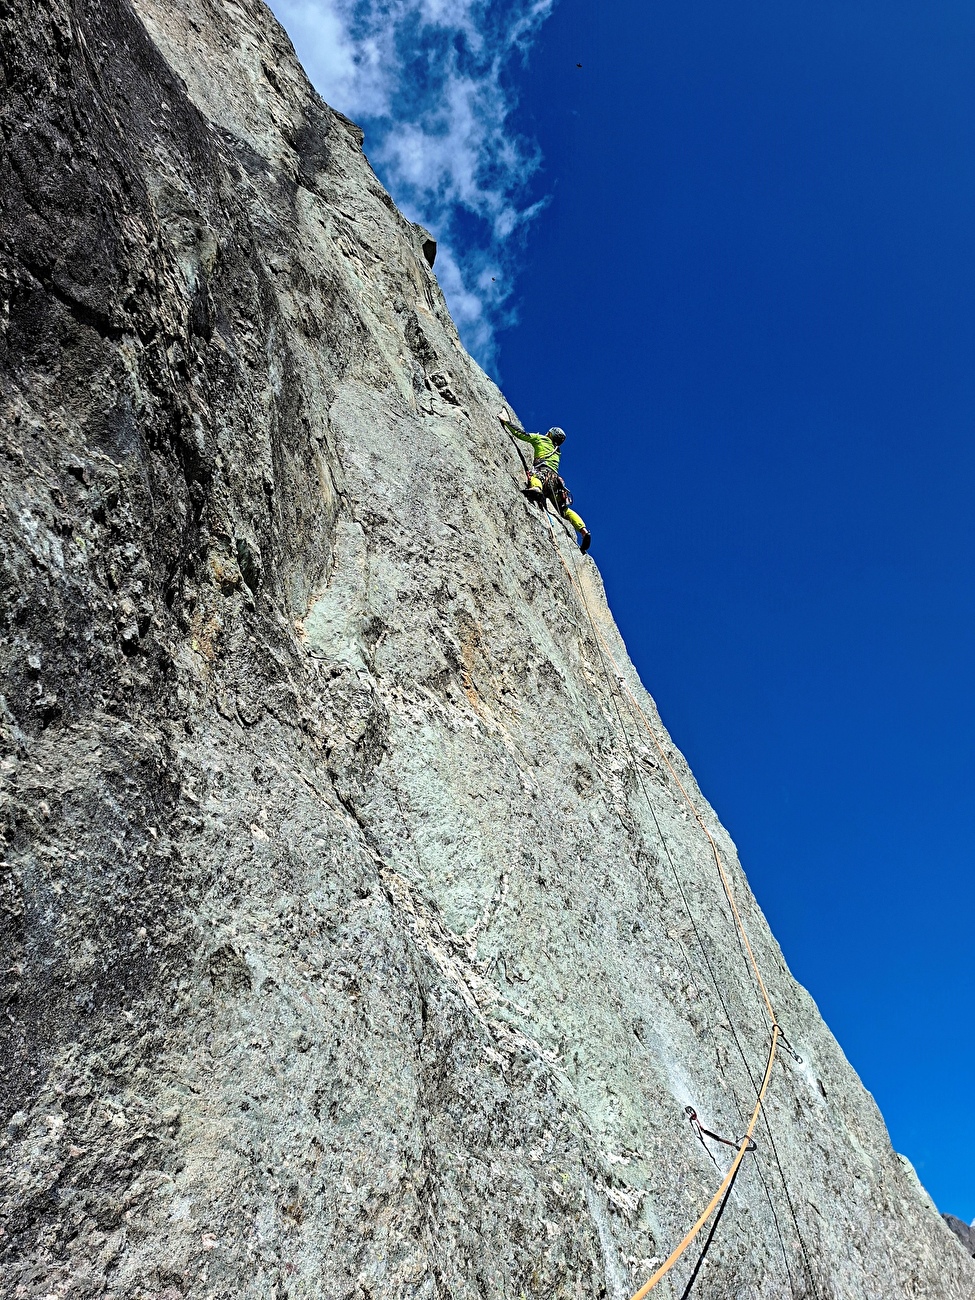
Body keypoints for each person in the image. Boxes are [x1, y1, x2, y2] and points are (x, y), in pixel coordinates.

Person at [499, 411, 591, 553]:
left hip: (543, 473)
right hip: (556, 482)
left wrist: (505, 421)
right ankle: (583, 530)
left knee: (535, 476)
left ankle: (536, 489)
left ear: (550, 434)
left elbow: (520, 434)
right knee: (564, 510)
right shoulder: (557, 452)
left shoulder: (541, 439)